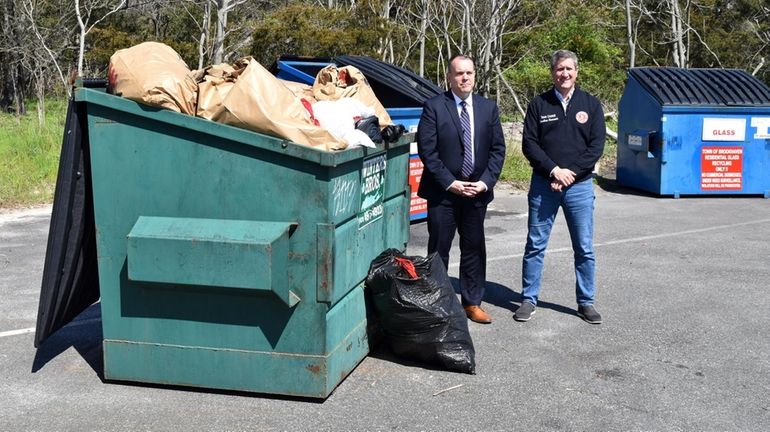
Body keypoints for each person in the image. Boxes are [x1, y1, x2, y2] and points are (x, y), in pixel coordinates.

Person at [515, 49, 605, 324]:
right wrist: (554, 171)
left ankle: (585, 302)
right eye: (559, 69)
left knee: (584, 247)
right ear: (552, 72)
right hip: (544, 184)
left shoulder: (591, 104)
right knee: (535, 245)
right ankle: (529, 299)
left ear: (577, 71)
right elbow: (530, 144)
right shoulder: (538, 105)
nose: (564, 74)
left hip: (579, 187)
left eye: (569, 69)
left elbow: (596, 146)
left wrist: (571, 174)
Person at [416, 55, 506, 324]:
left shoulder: (488, 108)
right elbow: (427, 151)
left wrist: (485, 182)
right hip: (444, 192)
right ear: (449, 77)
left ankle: (472, 302)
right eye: (459, 73)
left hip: (476, 192)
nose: (464, 78)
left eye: (469, 73)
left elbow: (497, 150)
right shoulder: (434, 107)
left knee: (474, 248)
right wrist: (450, 182)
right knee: (439, 248)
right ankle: (437, 302)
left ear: (475, 75)